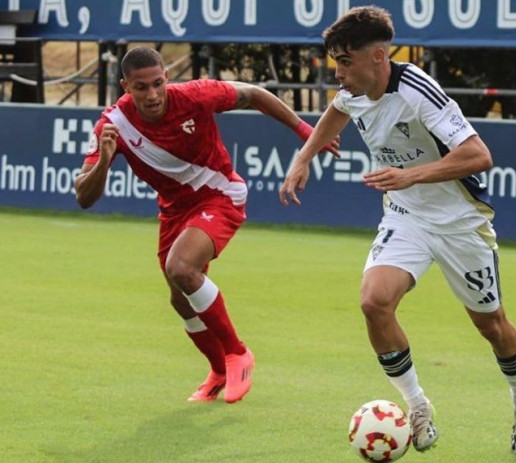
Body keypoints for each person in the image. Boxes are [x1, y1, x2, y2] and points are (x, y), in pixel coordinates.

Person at [279, 6, 516, 454]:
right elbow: (337, 112)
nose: (337, 72)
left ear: (378, 57)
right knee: (373, 301)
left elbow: (479, 156)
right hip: (405, 215)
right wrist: (304, 158)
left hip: (460, 222)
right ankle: (417, 407)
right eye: (335, 61)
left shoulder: (418, 91)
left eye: (345, 61)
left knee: (492, 326)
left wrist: (412, 174)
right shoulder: (353, 89)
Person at [75, 46, 338, 404]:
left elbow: (255, 94)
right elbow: (84, 197)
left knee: (181, 267)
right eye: (140, 87)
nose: (151, 95)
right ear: (125, 86)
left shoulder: (194, 96)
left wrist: (306, 130)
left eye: (157, 84)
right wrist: (104, 162)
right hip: (174, 211)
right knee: (181, 299)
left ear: (166, 77)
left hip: (221, 194)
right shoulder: (112, 125)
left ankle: (237, 353)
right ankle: (217, 371)